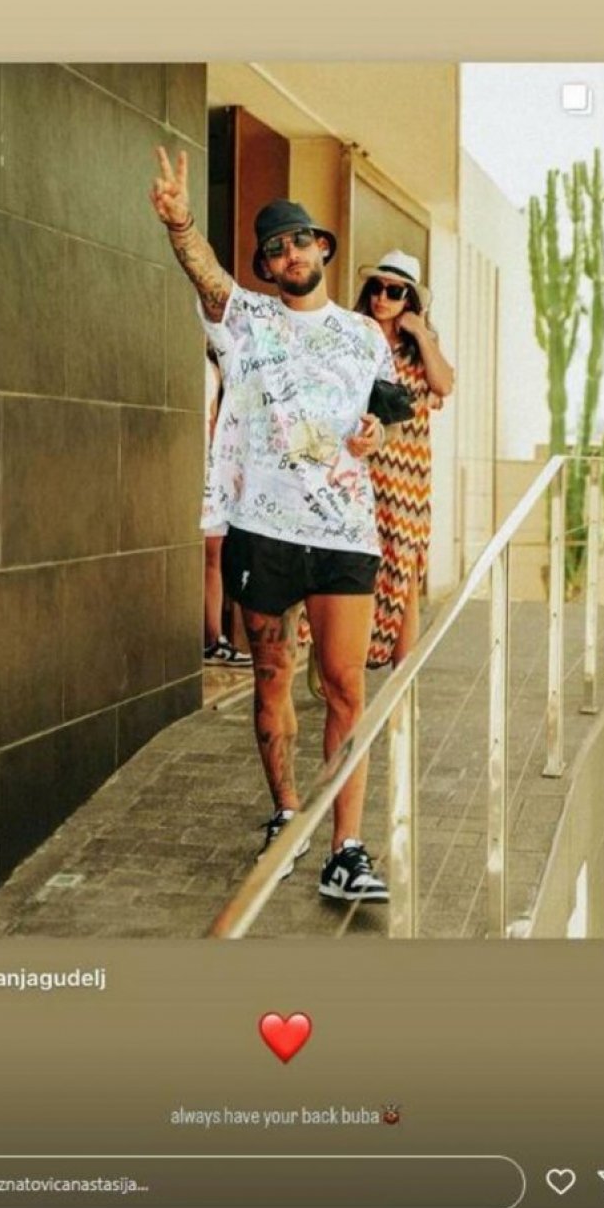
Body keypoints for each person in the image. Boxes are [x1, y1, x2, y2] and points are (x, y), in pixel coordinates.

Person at [150, 147, 395, 902]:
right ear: (266, 264)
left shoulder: (364, 335)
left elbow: (385, 412)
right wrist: (181, 224)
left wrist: (375, 435)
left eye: (300, 241)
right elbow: (206, 275)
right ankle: (287, 813)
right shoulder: (246, 319)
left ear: (322, 248)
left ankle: (346, 848)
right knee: (273, 676)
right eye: (276, 248)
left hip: (345, 533)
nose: (290, 254)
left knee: (346, 687)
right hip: (264, 529)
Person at [354, 250, 454, 669]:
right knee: (356, 569)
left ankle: (402, 683)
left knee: (405, 571)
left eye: (394, 292)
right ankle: (345, 669)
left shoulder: (419, 347)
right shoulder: (354, 334)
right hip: (359, 467)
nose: (382, 298)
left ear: (409, 300)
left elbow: (443, 385)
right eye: (376, 288)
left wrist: (422, 334)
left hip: (407, 478)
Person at [203, 345, 251, 667]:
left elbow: (216, 419)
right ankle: (208, 639)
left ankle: (214, 638)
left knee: (214, 553)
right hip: (189, 464)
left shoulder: (213, 366)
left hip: (211, 469)